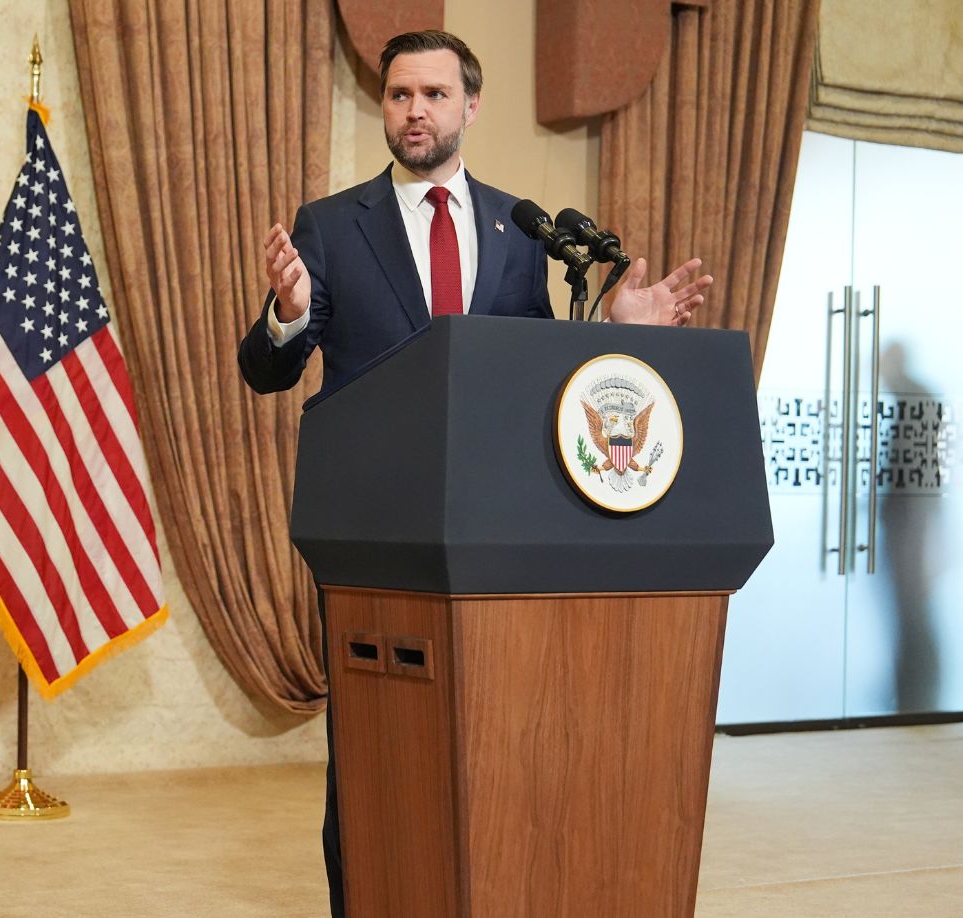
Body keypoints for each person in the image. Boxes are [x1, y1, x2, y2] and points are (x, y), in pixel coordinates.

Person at [235, 30, 714, 916]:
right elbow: (267, 372)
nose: (414, 111)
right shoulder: (331, 226)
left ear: (471, 106)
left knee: (495, 745)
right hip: (375, 531)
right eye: (399, 95)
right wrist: (289, 313)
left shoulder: (519, 227)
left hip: (493, 533)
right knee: (376, 755)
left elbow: (533, 380)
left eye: (434, 94)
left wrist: (615, 330)